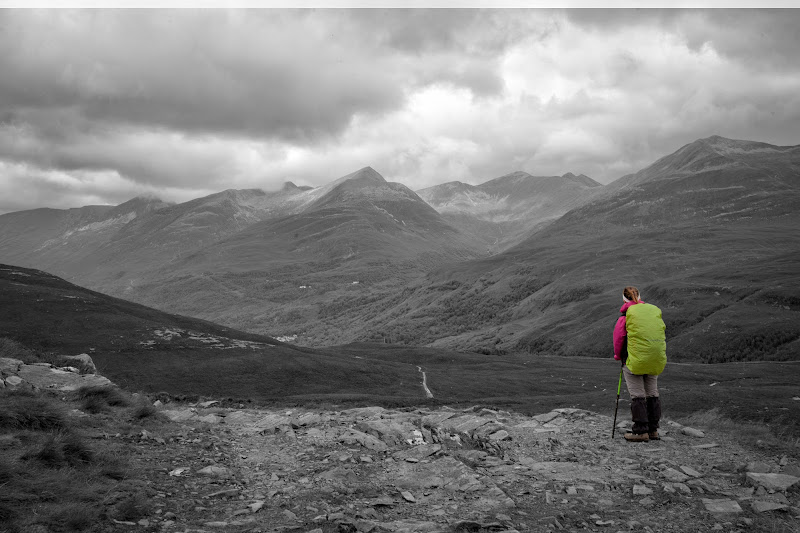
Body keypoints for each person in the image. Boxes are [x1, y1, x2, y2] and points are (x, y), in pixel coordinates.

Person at [613, 286, 667, 442]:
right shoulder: (651, 313)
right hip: (654, 358)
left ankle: (640, 431)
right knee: (652, 393)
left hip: (634, 361)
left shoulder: (625, 316)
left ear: (624, 299)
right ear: (640, 296)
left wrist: (618, 356)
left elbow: (619, 339)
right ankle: (653, 430)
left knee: (637, 395)